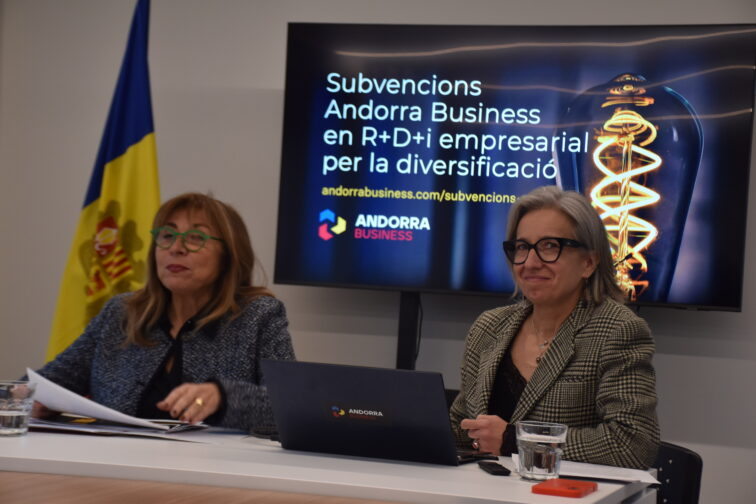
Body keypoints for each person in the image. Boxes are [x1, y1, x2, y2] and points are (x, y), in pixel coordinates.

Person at [34, 193, 295, 432]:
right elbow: (40, 384)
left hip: (213, 465)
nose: (176, 248)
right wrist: (34, 399)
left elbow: (291, 406)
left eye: (196, 237)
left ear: (228, 255)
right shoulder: (122, 313)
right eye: (167, 235)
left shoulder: (258, 316)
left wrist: (223, 397)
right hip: (115, 461)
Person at [450, 185, 660, 469]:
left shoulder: (617, 330)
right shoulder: (489, 327)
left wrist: (516, 441)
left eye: (550, 246)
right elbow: (461, 425)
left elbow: (633, 444)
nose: (530, 263)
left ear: (588, 262)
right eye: (522, 247)